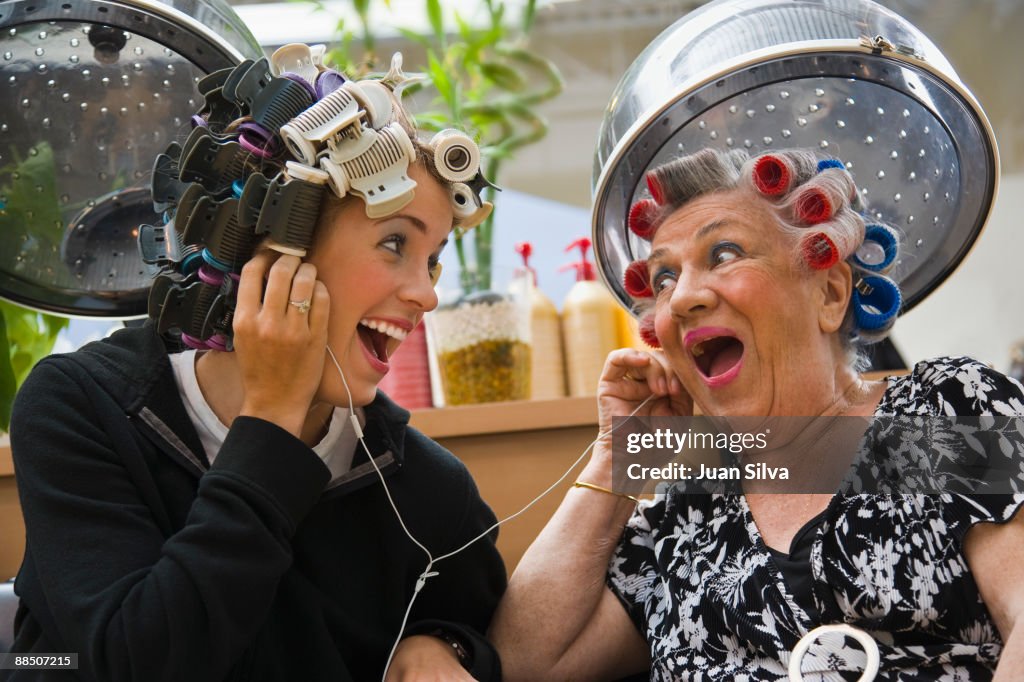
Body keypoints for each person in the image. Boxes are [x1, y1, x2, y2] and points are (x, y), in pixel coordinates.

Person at [6, 45, 505, 682]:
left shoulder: (425, 490)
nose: (428, 293)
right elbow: (136, 660)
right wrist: (271, 424)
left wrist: (447, 645)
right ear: (273, 252)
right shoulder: (83, 409)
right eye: (394, 243)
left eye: (432, 259)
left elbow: (493, 634)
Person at [490, 147, 1024, 680]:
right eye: (664, 279)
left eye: (723, 254)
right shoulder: (685, 514)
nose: (680, 300)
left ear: (830, 293)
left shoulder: (944, 409)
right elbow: (523, 664)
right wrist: (618, 456)